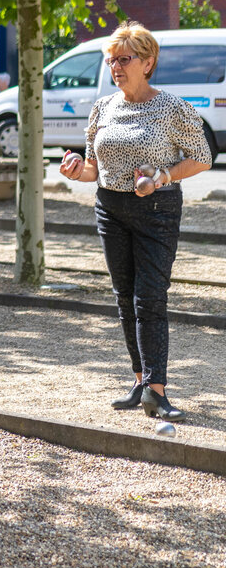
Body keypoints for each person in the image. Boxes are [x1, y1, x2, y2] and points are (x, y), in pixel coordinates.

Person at [59, 22, 212, 423]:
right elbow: (95, 168)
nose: (115, 67)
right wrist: (78, 172)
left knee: (150, 298)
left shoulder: (173, 108)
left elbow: (202, 157)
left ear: (148, 62)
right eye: (111, 60)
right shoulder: (103, 107)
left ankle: (157, 391)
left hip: (156, 212)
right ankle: (141, 380)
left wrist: (162, 176)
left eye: (124, 59)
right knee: (124, 297)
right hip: (110, 208)